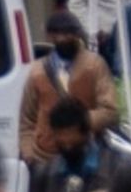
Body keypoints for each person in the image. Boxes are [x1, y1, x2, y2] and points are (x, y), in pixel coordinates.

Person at [19, 11, 122, 149]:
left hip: (86, 152)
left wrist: (79, 122)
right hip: (44, 155)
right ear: (49, 36)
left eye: (68, 33)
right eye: (57, 34)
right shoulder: (37, 71)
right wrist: (28, 152)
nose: (62, 39)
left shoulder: (94, 65)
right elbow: (26, 119)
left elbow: (110, 111)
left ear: (77, 34)